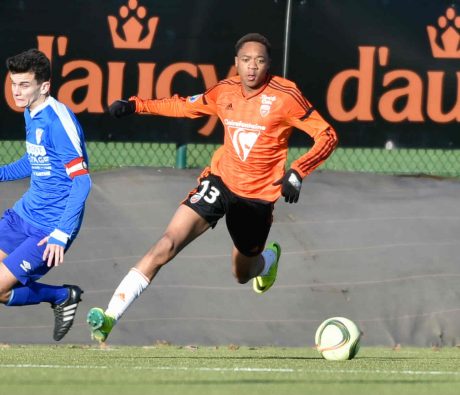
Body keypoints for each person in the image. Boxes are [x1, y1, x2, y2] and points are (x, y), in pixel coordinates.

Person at [87, 33, 338, 342]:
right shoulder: (225, 91)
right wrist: (136, 106)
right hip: (220, 182)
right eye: (246, 60)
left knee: (242, 273)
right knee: (166, 244)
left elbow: (327, 135)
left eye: (259, 61)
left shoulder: (286, 96)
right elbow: (183, 106)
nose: (252, 67)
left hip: (257, 199)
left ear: (268, 64)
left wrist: (298, 172)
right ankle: (109, 317)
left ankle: (267, 261)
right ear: (236, 63)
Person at [0, 49, 91, 341]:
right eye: (14, 83)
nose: (16, 91)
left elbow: (82, 182)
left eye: (24, 84)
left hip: (49, 228)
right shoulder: (31, 111)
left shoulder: (57, 121)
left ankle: (62, 296)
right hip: (22, 215)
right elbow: (35, 160)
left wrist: (61, 233)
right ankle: (62, 296)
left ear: (45, 86)